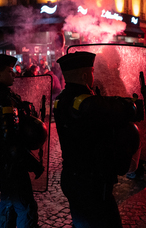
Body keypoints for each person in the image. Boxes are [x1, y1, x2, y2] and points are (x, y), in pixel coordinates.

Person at [53, 51, 140, 228]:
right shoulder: (88, 103)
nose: (94, 75)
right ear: (85, 75)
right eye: (92, 71)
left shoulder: (60, 100)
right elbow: (124, 110)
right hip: (91, 182)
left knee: (81, 220)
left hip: (71, 175)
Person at [0, 54, 44, 228]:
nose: (14, 74)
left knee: (8, 201)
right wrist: (33, 162)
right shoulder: (3, 99)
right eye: (9, 71)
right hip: (11, 162)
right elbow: (10, 141)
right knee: (25, 206)